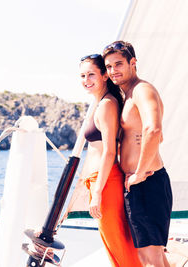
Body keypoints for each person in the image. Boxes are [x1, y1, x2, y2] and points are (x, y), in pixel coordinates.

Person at [102, 40, 173, 267]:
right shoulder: (129, 95)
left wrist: (139, 173)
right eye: (109, 66)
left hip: (147, 182)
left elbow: (154, 129)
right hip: (143, 183)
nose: (113, 71)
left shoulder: (142, 90)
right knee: (156, 257)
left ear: (133, 63)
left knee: (149, 259)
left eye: (119, 64)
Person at [80, 53, 141, 267]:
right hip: (98, 181)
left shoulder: (107, 104)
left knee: (120, 247)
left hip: (105, 183)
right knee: (112, 246)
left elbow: (108, 151)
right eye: (82, 76)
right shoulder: (100, 103)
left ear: (104, 75)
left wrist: (97, 192)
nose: (86, 80)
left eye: (91, 74)